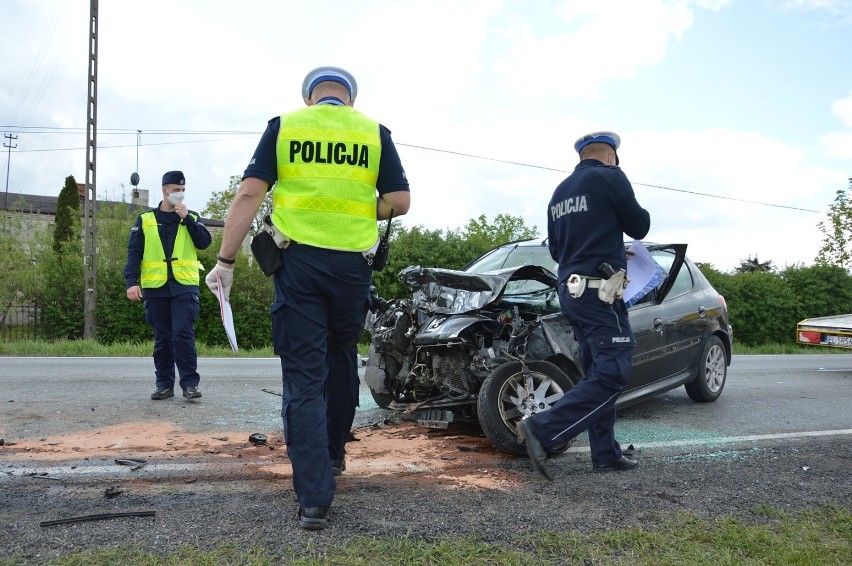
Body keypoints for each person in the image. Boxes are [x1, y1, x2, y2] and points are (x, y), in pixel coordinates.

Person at [205, 66, 410, 530]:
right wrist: (363, 204)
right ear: (350, 100)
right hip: (353, 268)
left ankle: (315, 497)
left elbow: (249, 194)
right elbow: (399, 201)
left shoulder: (286, 126)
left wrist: (227, 260)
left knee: (302, 374)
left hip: (298, 265)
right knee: (340, 357)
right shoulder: (374, 132)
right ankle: (335, 455)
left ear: (310, 97)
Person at [518, 131, 650, 480]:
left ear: (581, 156)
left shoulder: (559, 193)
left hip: (571, 289)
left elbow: (558, 252)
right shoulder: (611, 176)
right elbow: (639, 224)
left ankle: (605, 453)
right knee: (613, 372)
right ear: (611, 156)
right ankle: (542, 429)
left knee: (597, 372)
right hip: (600, 293)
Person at [124, 171, 212, 401]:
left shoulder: (191, 216)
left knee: (183, 335)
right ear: (165, 190)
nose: (180, 194)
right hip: (155, 288)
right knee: (162, 338)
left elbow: (204, 243)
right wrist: (131, 282)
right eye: (176, 190)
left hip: (184, 286)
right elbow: (134, 254)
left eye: (183, 190)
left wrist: (188, 220)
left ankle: (190, 385)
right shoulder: (145, 220)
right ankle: (164, 384)